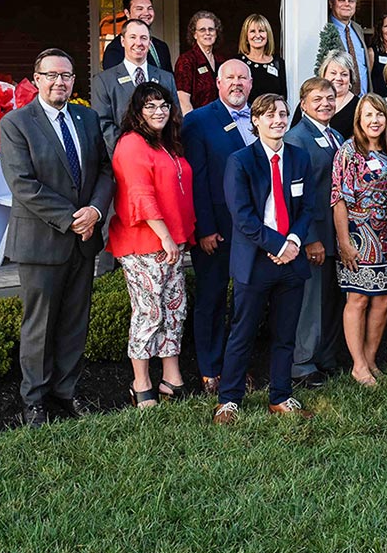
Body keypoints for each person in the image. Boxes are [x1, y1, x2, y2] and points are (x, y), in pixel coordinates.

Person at [0, 49, 114, 427]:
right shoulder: (17, 123)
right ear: (36, 79)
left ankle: (66, 392)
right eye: (51, 75)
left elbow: (103, 170)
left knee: (73, 322)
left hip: (84, 240)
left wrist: (96, 211)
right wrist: (72, 219)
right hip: (41, 242)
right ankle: (33, 400)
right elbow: (23, 185)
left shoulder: (87, 118)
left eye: (66, 76)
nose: (59, 82)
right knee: (40, 325)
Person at [213, 93, 316, 424]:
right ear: (255, 121)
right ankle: (229, 401)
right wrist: (277, 246)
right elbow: (242, 217)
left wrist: (294, 241)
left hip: (292, 258)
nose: (278, 120)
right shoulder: (241, 161)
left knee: (285, 334)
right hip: (256, 260)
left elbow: (308, 207)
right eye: (269, 115)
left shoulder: (300, 159)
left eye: (283, 114)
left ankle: (281, 396)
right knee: (242, 334)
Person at [109, 82, 194, 407]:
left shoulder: (166, 144)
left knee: (174, 309)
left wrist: (180, 237)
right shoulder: (132, 144)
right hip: (144, 243)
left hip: (172, 242)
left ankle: (171, 379)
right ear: (137, 111)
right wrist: (165, 236)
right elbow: (140, 195)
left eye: (163, 105)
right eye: (150, 106)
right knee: (149, 312)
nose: (159, 112)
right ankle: (140, 382)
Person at [183, 59, 256, 392]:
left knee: (247, 301)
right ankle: (210, 368)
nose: (237, 83)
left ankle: (238, 365)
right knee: (212, 299)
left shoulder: (262, 115)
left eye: (243, 77)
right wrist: (204, 228)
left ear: (251, 84)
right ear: (217, 83)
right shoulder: (198, 121)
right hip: (217, 228)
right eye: (230, 78)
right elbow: (196, 179)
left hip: (255, 230)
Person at [330, 94, 387, 387]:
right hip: (358, 235)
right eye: (368, 115)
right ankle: (357, 365)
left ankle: (370, 359)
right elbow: (339, 199)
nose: (375, 120)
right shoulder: (349, 151)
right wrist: (344, 241)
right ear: (359, 119)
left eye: (379, 114)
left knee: (383, 299)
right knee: (357, 299)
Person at [283, 77, 344, 389]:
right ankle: (302, 364)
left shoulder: (335, 135)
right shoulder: (297, 138)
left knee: (331, 299)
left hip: (337, 236)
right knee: (310, 302)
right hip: (314, 236)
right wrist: (309, 239)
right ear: (303, 103)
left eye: (330, 98)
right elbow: (294, 196)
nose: (325, 104)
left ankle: (325, 357)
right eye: (318, 98)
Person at [92, 18, 179, 155]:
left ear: (149, 43)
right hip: (125, 158)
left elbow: (175, 117)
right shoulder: (104, 81)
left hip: (162, 155)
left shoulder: (166, 78)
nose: (138, 43)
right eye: (132, 37)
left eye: (144, 38)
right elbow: (103, 124)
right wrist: (129, 151)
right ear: (122, 41)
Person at [101, 0, 174, 73]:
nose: (146, 13)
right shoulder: (115, 49)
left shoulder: (161, 46)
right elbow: (114, 82)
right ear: (127, 13)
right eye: (139, 9)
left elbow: (169, 80)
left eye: (149, 8)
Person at [321, 0, 371, 96]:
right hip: (337, 100)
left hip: (362, 100)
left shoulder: (357, 29)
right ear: (331, 3)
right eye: (341, 0)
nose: (347, 4)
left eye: (351, 1)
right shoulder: (324, 27)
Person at [174, 11, 227, 114]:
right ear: (194, 34)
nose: (207, 33)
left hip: (221, 119)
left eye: (211, 29)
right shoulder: (186, 60)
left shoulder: (221, 61)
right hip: (199, 121)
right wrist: (193, 124)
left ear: (216, 33)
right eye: (202, 30)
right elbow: (183, 100)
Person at [238, 13, 287, 102]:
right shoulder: (238, 62)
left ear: (268, 35)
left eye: (261, 31)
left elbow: (283, 96)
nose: (257, 35)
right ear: (246, 36)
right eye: (252, 31)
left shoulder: (278, 63)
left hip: (272, 113)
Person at [316, 51, 360, 139]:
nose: (338, 78)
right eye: (333, 73)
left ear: (350, 78)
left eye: (344, 74)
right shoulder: (310, 101)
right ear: (324, 74)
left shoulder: (359, 106)